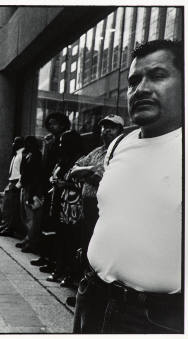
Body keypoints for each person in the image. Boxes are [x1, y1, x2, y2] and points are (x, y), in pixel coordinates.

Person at [73, 39, 183, 334]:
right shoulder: (119, 145)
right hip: (92, 296)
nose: (141, 89)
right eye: (134, 81)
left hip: (154, 318)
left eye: (158, 76)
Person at [64, 114, 124, 307]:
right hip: (87, 207)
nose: (105, 131)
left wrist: (89, 174)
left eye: (111, 128)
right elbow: (73, 170)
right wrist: (89, 171)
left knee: (101, 252)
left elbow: (107, 178)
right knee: (87, 248)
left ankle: (98, 297)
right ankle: (86, 291)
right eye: (103, 127)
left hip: (105, 209)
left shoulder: (121, 152)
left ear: (120, 132)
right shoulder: (97, 151)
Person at [31, 112, 70, 272]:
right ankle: (45, 256)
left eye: (55, 123)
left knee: (52, 225)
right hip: (49, 186)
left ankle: (51, 259)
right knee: (46, 223)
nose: (52, 127)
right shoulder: (51, 141)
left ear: (62, 124)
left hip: (58, 188)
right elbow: (45, 165)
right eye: (50, 124)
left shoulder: (65, 141)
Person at [46, 130, 84, 286]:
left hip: (72, 207)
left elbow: (82, 183)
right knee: (61, 238)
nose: (60, 145)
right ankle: (59, 269)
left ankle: (70, 274)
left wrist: (64, 183)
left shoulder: (81, 160)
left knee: (71, 241)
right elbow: (55, 174)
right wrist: (54, 180)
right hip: (60, 204)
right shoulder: (64, 159)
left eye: (63, 142)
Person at [15, 136, 44, 253]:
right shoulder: (28, 155)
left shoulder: (37, 156)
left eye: (29, 143)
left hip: (31, 188)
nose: (26, 145)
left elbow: (36, 175)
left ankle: (31, 241)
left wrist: (33, 193)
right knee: (26, 215)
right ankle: (27, 238)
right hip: (25, 186)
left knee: (31, 216)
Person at [0, 136, 24, 238]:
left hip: (16, 182)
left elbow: (23, 172)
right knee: (6, 205)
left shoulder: (22, 155)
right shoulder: (16, 155)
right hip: (11, 181)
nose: (12, 144)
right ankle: (4, 225)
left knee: (11, 207)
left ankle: (8, 227)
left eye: (14, 142)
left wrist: (18, 185)